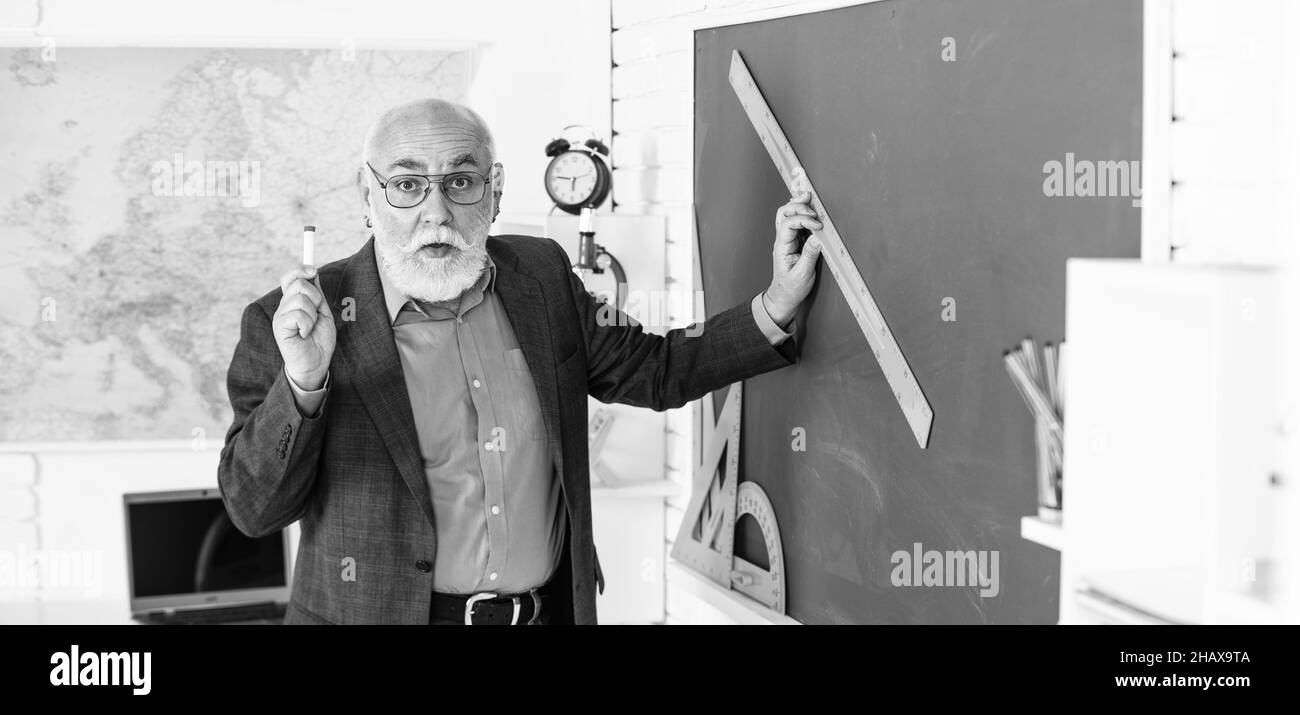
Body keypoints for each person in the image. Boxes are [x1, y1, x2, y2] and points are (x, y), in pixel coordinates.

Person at [217, 98, 823, 625]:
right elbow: (254, 509)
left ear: (496, 191)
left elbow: (655, 369)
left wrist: (776, 304)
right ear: (367, 196)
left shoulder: (541, 276)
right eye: (406, 185)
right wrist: (303, 383)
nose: (436, 211)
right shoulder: (296, 321)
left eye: (461, 181)